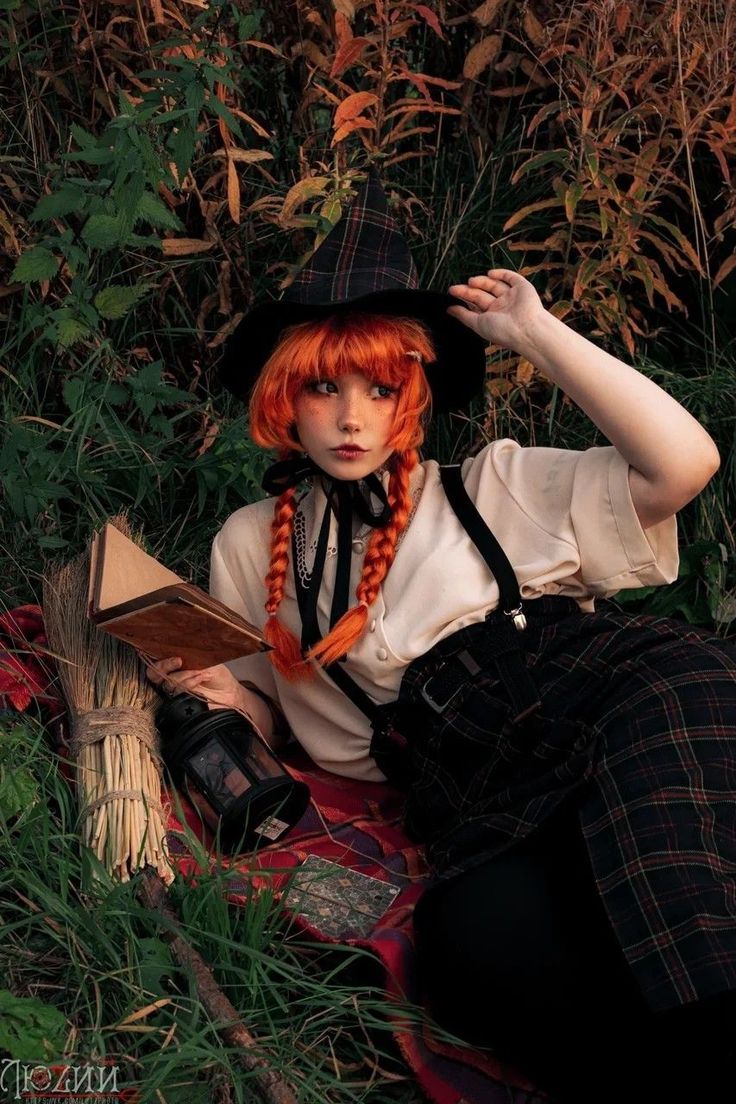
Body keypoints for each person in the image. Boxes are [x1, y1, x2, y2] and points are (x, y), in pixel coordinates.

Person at [146, 175, 735, 1102]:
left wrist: (537, 338)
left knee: (671, 878)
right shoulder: (249, 540)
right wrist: (227, 698)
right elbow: (270, 696)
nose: (349, 417)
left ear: (411, 395)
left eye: (380, 388)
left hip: (614, 698)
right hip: (472, 782)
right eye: (323, 386)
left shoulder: (491, 484)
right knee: (470, 943)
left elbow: (685, 463)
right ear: (283, 397)